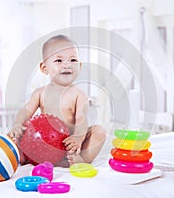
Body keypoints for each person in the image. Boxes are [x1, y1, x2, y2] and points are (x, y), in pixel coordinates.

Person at [8, 35, 106, 167]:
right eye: (59, 61)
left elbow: (82, 120)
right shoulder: (40, 93)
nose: (67, 64)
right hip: (42, 143)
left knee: (99, 131)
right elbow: (25, 111)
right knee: (12, 136)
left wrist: (78, 137)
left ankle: (81, 159)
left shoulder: (78, 94)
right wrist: (18, 124)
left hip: (69, 145)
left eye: (73, 60)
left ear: (80, 66)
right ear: (44, 68)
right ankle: (24, 155)